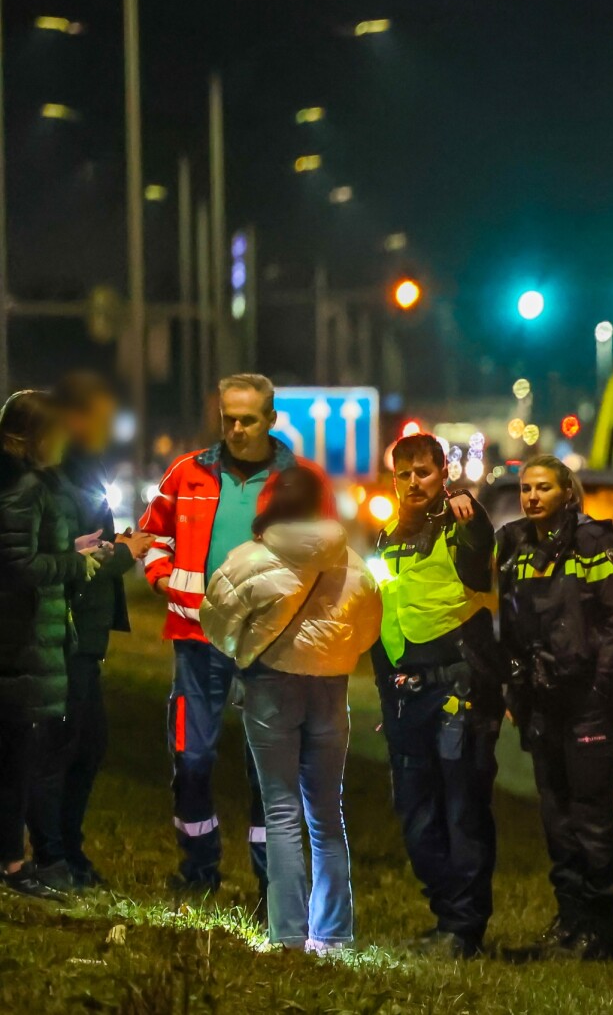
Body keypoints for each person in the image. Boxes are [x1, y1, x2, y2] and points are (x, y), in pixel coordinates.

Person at [139, 373, 333, 898]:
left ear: (271, 420)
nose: (238, 429)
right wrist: (162, 579)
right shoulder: (186, 473)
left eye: (249, 419)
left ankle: (273, 882)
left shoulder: (300, 482)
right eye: (229, 419)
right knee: (191, 757)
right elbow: (152, 536)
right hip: (197, 639)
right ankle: (198, 870)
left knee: (268, 768)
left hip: (270, 646)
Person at [201, 466, 381, 953]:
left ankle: (287, 936)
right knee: (326, 813)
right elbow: (367, 633)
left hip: (270, 689)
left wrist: (245, 649)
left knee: (280, 811)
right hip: (330, 690)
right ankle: (336, 934)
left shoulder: (249, 559)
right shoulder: (352, 564)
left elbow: (215, 620)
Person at [497, 455, 613, 960]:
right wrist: (516, 686)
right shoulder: (514, 547)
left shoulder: (598, 545)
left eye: (543, 488)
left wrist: (600, 687)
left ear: (567, 494)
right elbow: (509, 622)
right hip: (542, 701)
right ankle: (570, 921)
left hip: (587, 702)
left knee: (591, 815)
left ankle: (601, 933)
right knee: (556, 816)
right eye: (525, 489)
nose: (532, 497)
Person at [371, 433, 505, 958]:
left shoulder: (461, 524)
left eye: (423, 472)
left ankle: (463, 929)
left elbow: (478, 559)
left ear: (442, 472)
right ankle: (447, 916)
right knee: (415, 814)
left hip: (458, 691)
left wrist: (470, 518)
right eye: (404, 475)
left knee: (462, 812)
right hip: (406, 696)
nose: (413, 483)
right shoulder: (388, 535)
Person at [27, 373, 153, 893]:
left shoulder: (81, 469)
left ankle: (66, 851)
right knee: (63, 746)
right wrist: (126, 551)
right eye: (100, 417)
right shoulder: (55, 475)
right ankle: (53, 855)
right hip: (66, 633)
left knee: (86, 743)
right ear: (76, 418)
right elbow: (69, 557)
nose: (107, 427)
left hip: (85, 633)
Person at [0, 390, 104, 900]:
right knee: (19, 756)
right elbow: (18, 564)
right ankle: (20, 865)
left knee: (20, 754)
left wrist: (76, 550)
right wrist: (72, 563)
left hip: (35, 638)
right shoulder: (24, 487)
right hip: (22, 643)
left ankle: (17, 862)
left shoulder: (36, 485)